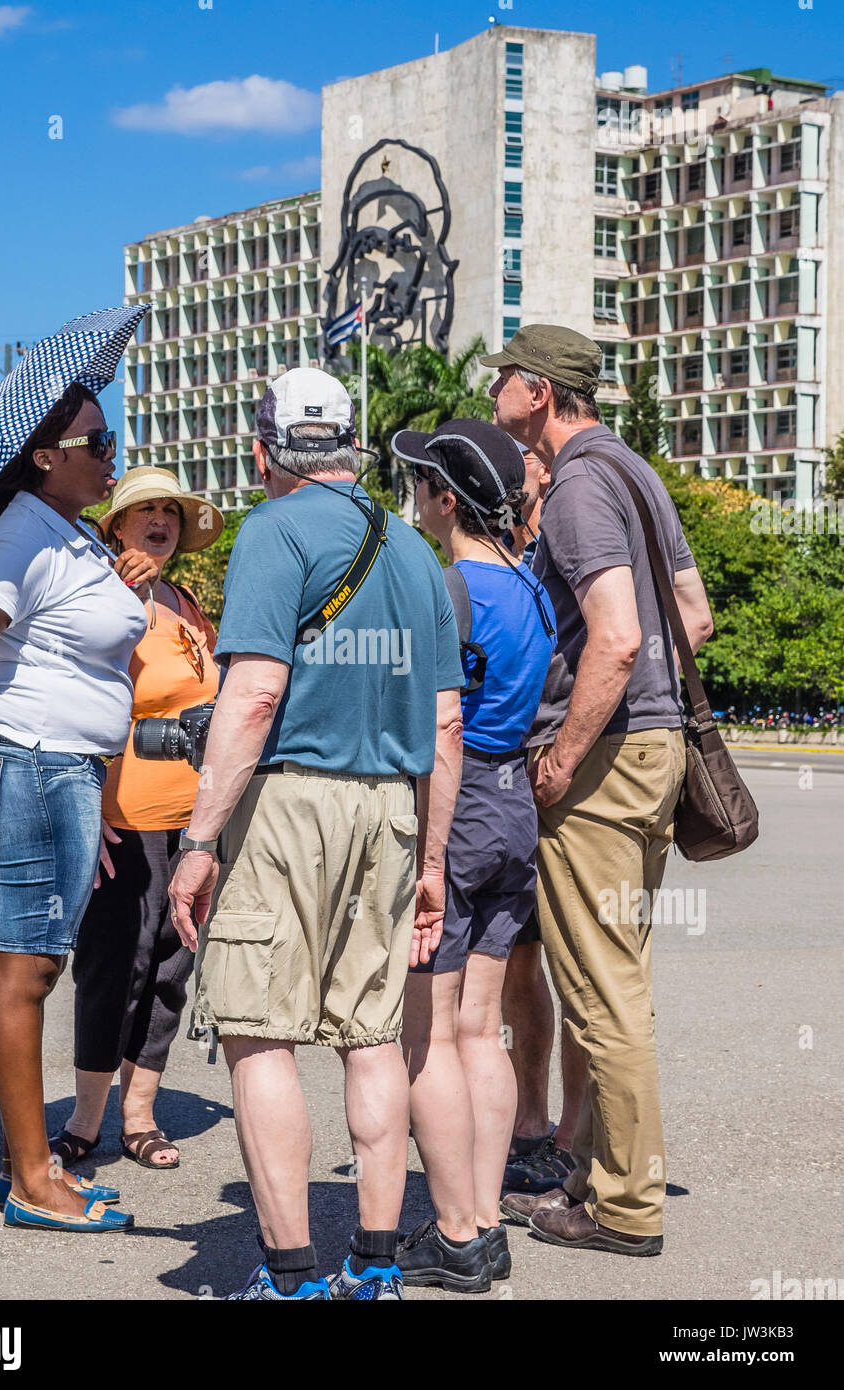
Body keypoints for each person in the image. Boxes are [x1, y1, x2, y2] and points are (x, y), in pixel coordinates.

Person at [167, 367, 465, 1300]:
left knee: (261, 1036)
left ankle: (290, 1274)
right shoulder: (417, 552)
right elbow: (447, 724)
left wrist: (199, 842)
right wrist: (432, 860)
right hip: (390, 807)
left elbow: (253, 695)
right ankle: (373, 1266)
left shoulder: (271, 532)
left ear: (265, 451)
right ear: (351, 445)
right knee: (372, 1036)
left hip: (289, 804)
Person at [480, 325, 713, 1255]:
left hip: (607, 762)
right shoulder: (636, 473)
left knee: (602, 989)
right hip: (651, 750)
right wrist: (648, 706)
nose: (493, 387)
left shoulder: (576, 484)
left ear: (537, 391)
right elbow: (691, 616)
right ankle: (605, 1172)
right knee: (623, 980)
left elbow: (615, 636)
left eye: (504, 375)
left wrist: (567, 749)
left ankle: (621, 1204)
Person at [0, 383, 159, 1233]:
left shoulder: (69, 534)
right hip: (35, 763)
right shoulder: (22, 533)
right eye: (96, 441)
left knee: (41, 965)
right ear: (45, 457)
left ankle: (39, 1163)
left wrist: (126, 575)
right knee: (25, 971)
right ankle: (29, 1178)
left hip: (68, 771)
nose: (111, 451)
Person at [390, 419, 555, 1293]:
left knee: (428, 1037)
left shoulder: (446, 586)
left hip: (454, 808)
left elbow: (434, 723)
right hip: (514, 805)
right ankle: (486, 1215)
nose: (413, 501)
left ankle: (455, 1230)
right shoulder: (529, 588)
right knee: (479, 1029)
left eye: (419, 486)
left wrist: (422, 850)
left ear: (445, 497)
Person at [49, 467, 224, 1173]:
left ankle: (141, 1114)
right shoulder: (103, 597)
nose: (160, 521)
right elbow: (70, 700)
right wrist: (83, 810)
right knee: (112, 970)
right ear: (115, 525)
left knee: (170, 971)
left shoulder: (187, 601)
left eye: (172, 512)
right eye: (145, 510)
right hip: (124, 819)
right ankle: (85, 1118)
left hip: (195, 821)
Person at [499, 448, 588, 1196]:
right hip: (511, 777)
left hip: (567, 772)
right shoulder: (505, 553)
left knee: (582, 967)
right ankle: (529, 1122)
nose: (530, 467)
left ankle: (573, 1134)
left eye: (534, 455)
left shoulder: (584, 539)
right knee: (521, 961)